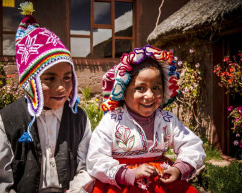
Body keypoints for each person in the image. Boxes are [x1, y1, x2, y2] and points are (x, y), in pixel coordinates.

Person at [0, 2, 93, 193]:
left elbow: (88, 168)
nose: (61, 87)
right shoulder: (5, 123)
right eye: (49, 78)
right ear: (29, 82)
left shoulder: (79, 119)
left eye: (67, 78)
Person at [86, 45, 206, 192]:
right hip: (122, 185)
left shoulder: (167, 120)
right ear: (122, 91)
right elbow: (96, 159)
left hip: (161, 183)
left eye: (156, 88)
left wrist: (179, 169)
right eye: (140, 88)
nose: (149, 96)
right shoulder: (112, 121)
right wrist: (129, 174)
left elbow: (192, 145)